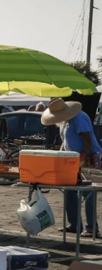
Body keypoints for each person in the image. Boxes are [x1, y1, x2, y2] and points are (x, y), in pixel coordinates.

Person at [43, 98, 101, 236]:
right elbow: (66, 141)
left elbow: (87, 139)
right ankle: (75, 225)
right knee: (69, 191)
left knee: (88, 193)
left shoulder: (78, 118)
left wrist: (86, 162)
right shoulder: (66, 120)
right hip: (72, 159)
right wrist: (60, 156)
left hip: (86, 157)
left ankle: (92, 228)